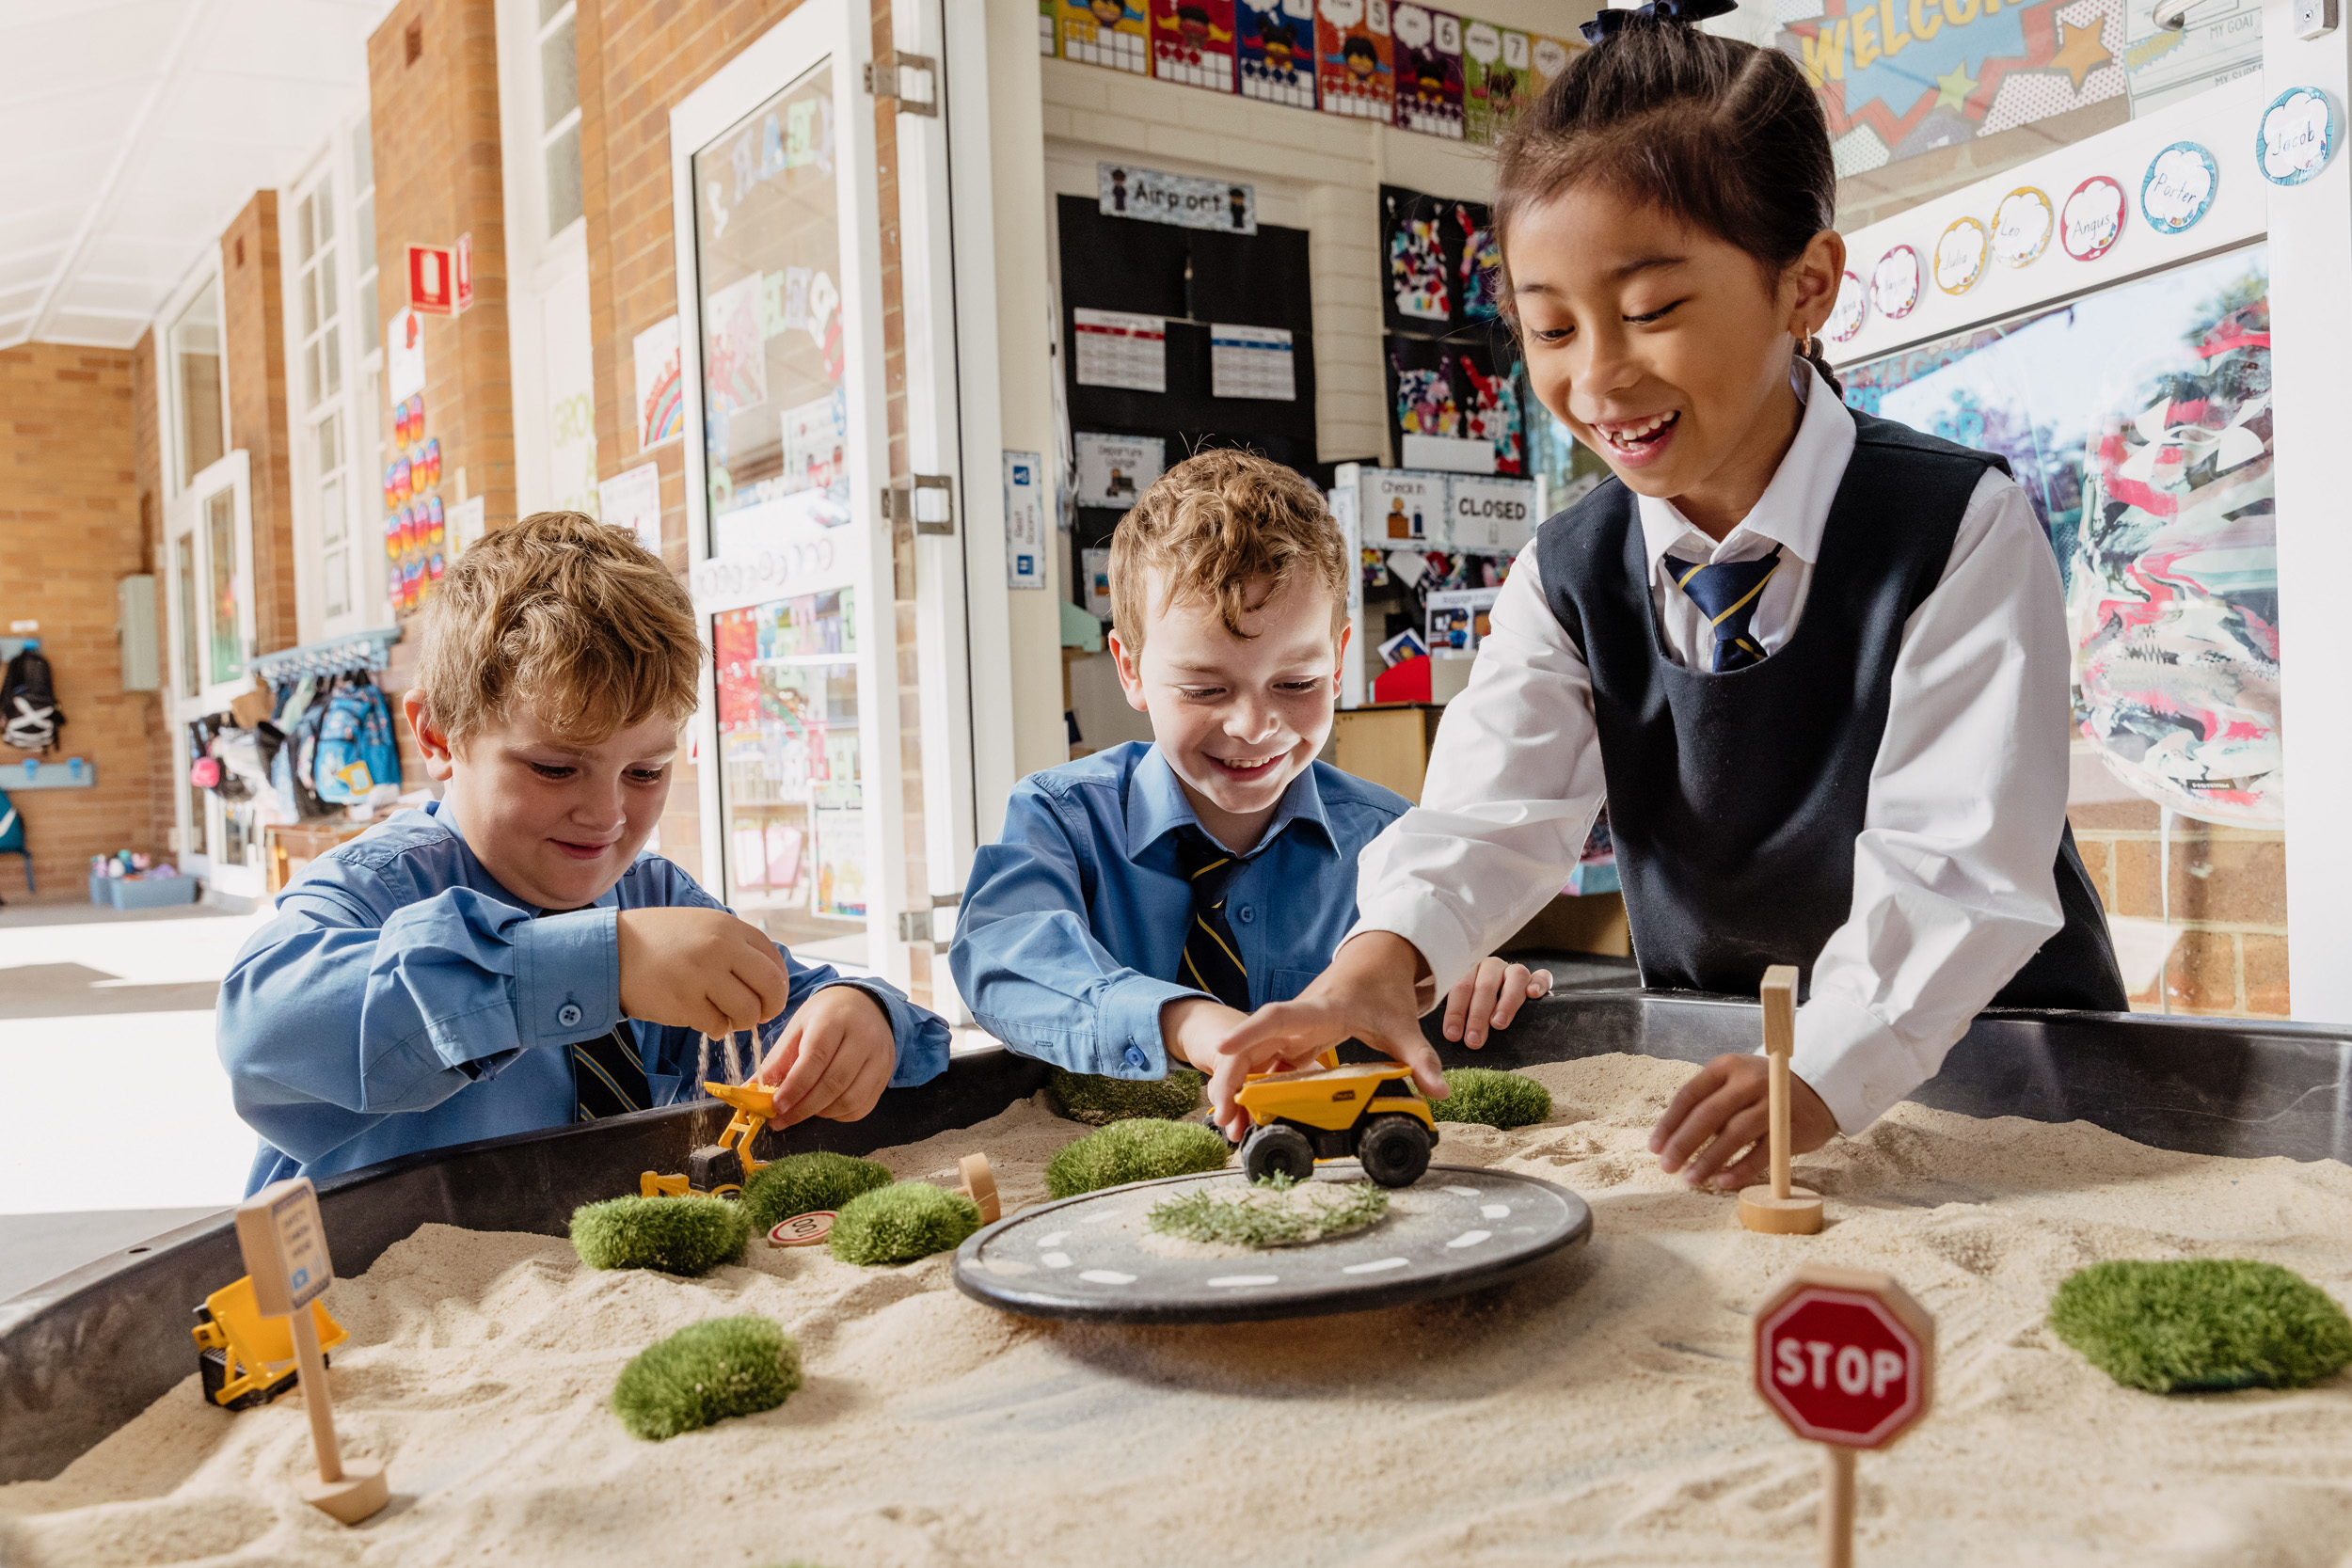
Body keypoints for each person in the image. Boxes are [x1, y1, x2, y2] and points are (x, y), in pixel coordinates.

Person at [1213, 6, 2126, 1184]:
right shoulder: (1569, 571)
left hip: (2007, 1078)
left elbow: (1960, 864)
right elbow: (1492, 817)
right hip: (1716, 1072)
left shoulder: (1955, 526)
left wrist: (1825, 1064)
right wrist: (1374, 966)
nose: (1596, 377)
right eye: (1549, 327)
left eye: (1650, 311)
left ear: (1806, 285)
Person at [219, 513, 949, 1190]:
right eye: (554, 767)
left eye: (646, 772)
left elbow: (791, 1005)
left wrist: (861, 1013)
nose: (606, 814)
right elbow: (262, 1027)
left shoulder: (651, 893)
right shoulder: (374, 889)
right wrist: (600, 965)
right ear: (440, 736)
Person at [950, 450, 1549, 1133]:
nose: (1254, 724)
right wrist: (1188, 1023)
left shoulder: (1393, 841)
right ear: (1131, 669)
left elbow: (1434, 945)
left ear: (1338, 662)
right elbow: (1001, 955)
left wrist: (1466, 971)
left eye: (1294, 683)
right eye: (1205, 688)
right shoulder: (1062, 817)